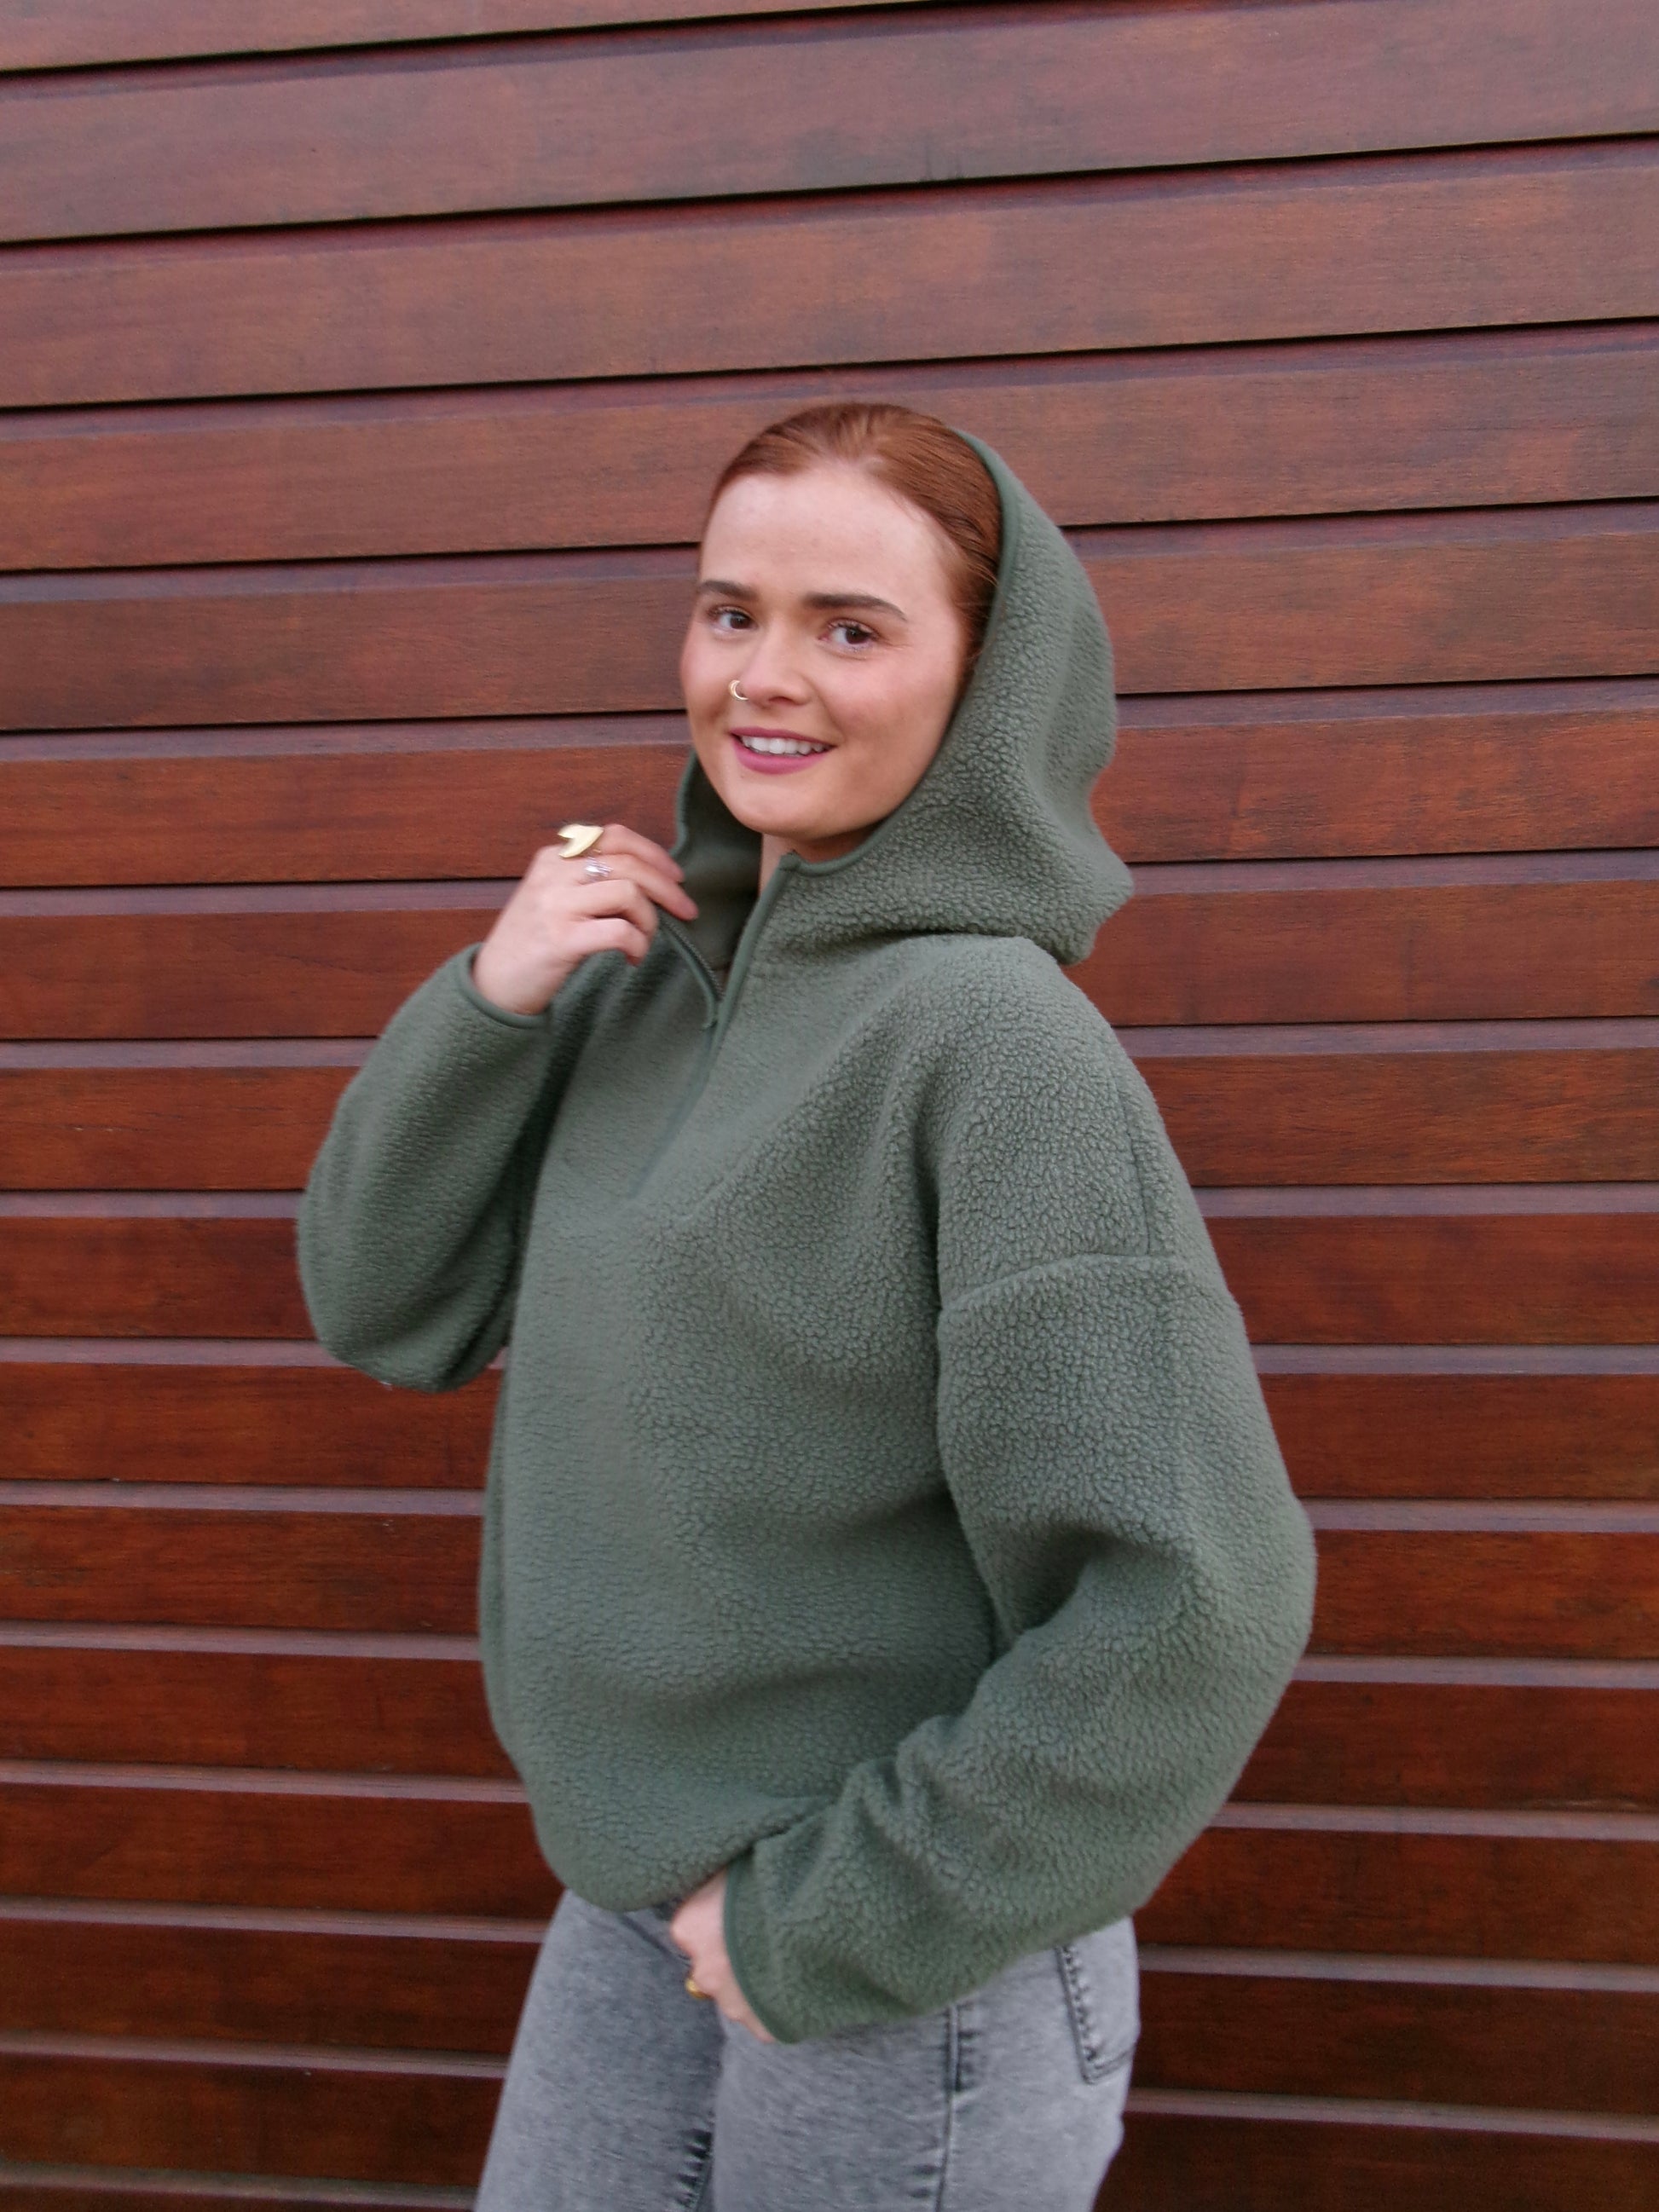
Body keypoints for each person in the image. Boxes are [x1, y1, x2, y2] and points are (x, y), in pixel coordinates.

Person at [298, 402, 1316, 2209]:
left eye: (850, 626)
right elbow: (384, 1304)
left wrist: (842, 1912)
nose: (764, 677)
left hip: (906, 1952)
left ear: (982, 680)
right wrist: (490, 1000)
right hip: (636, 1893)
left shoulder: (991, 1042)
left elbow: (1193, 1594)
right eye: (730, 611)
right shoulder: (633, 981)